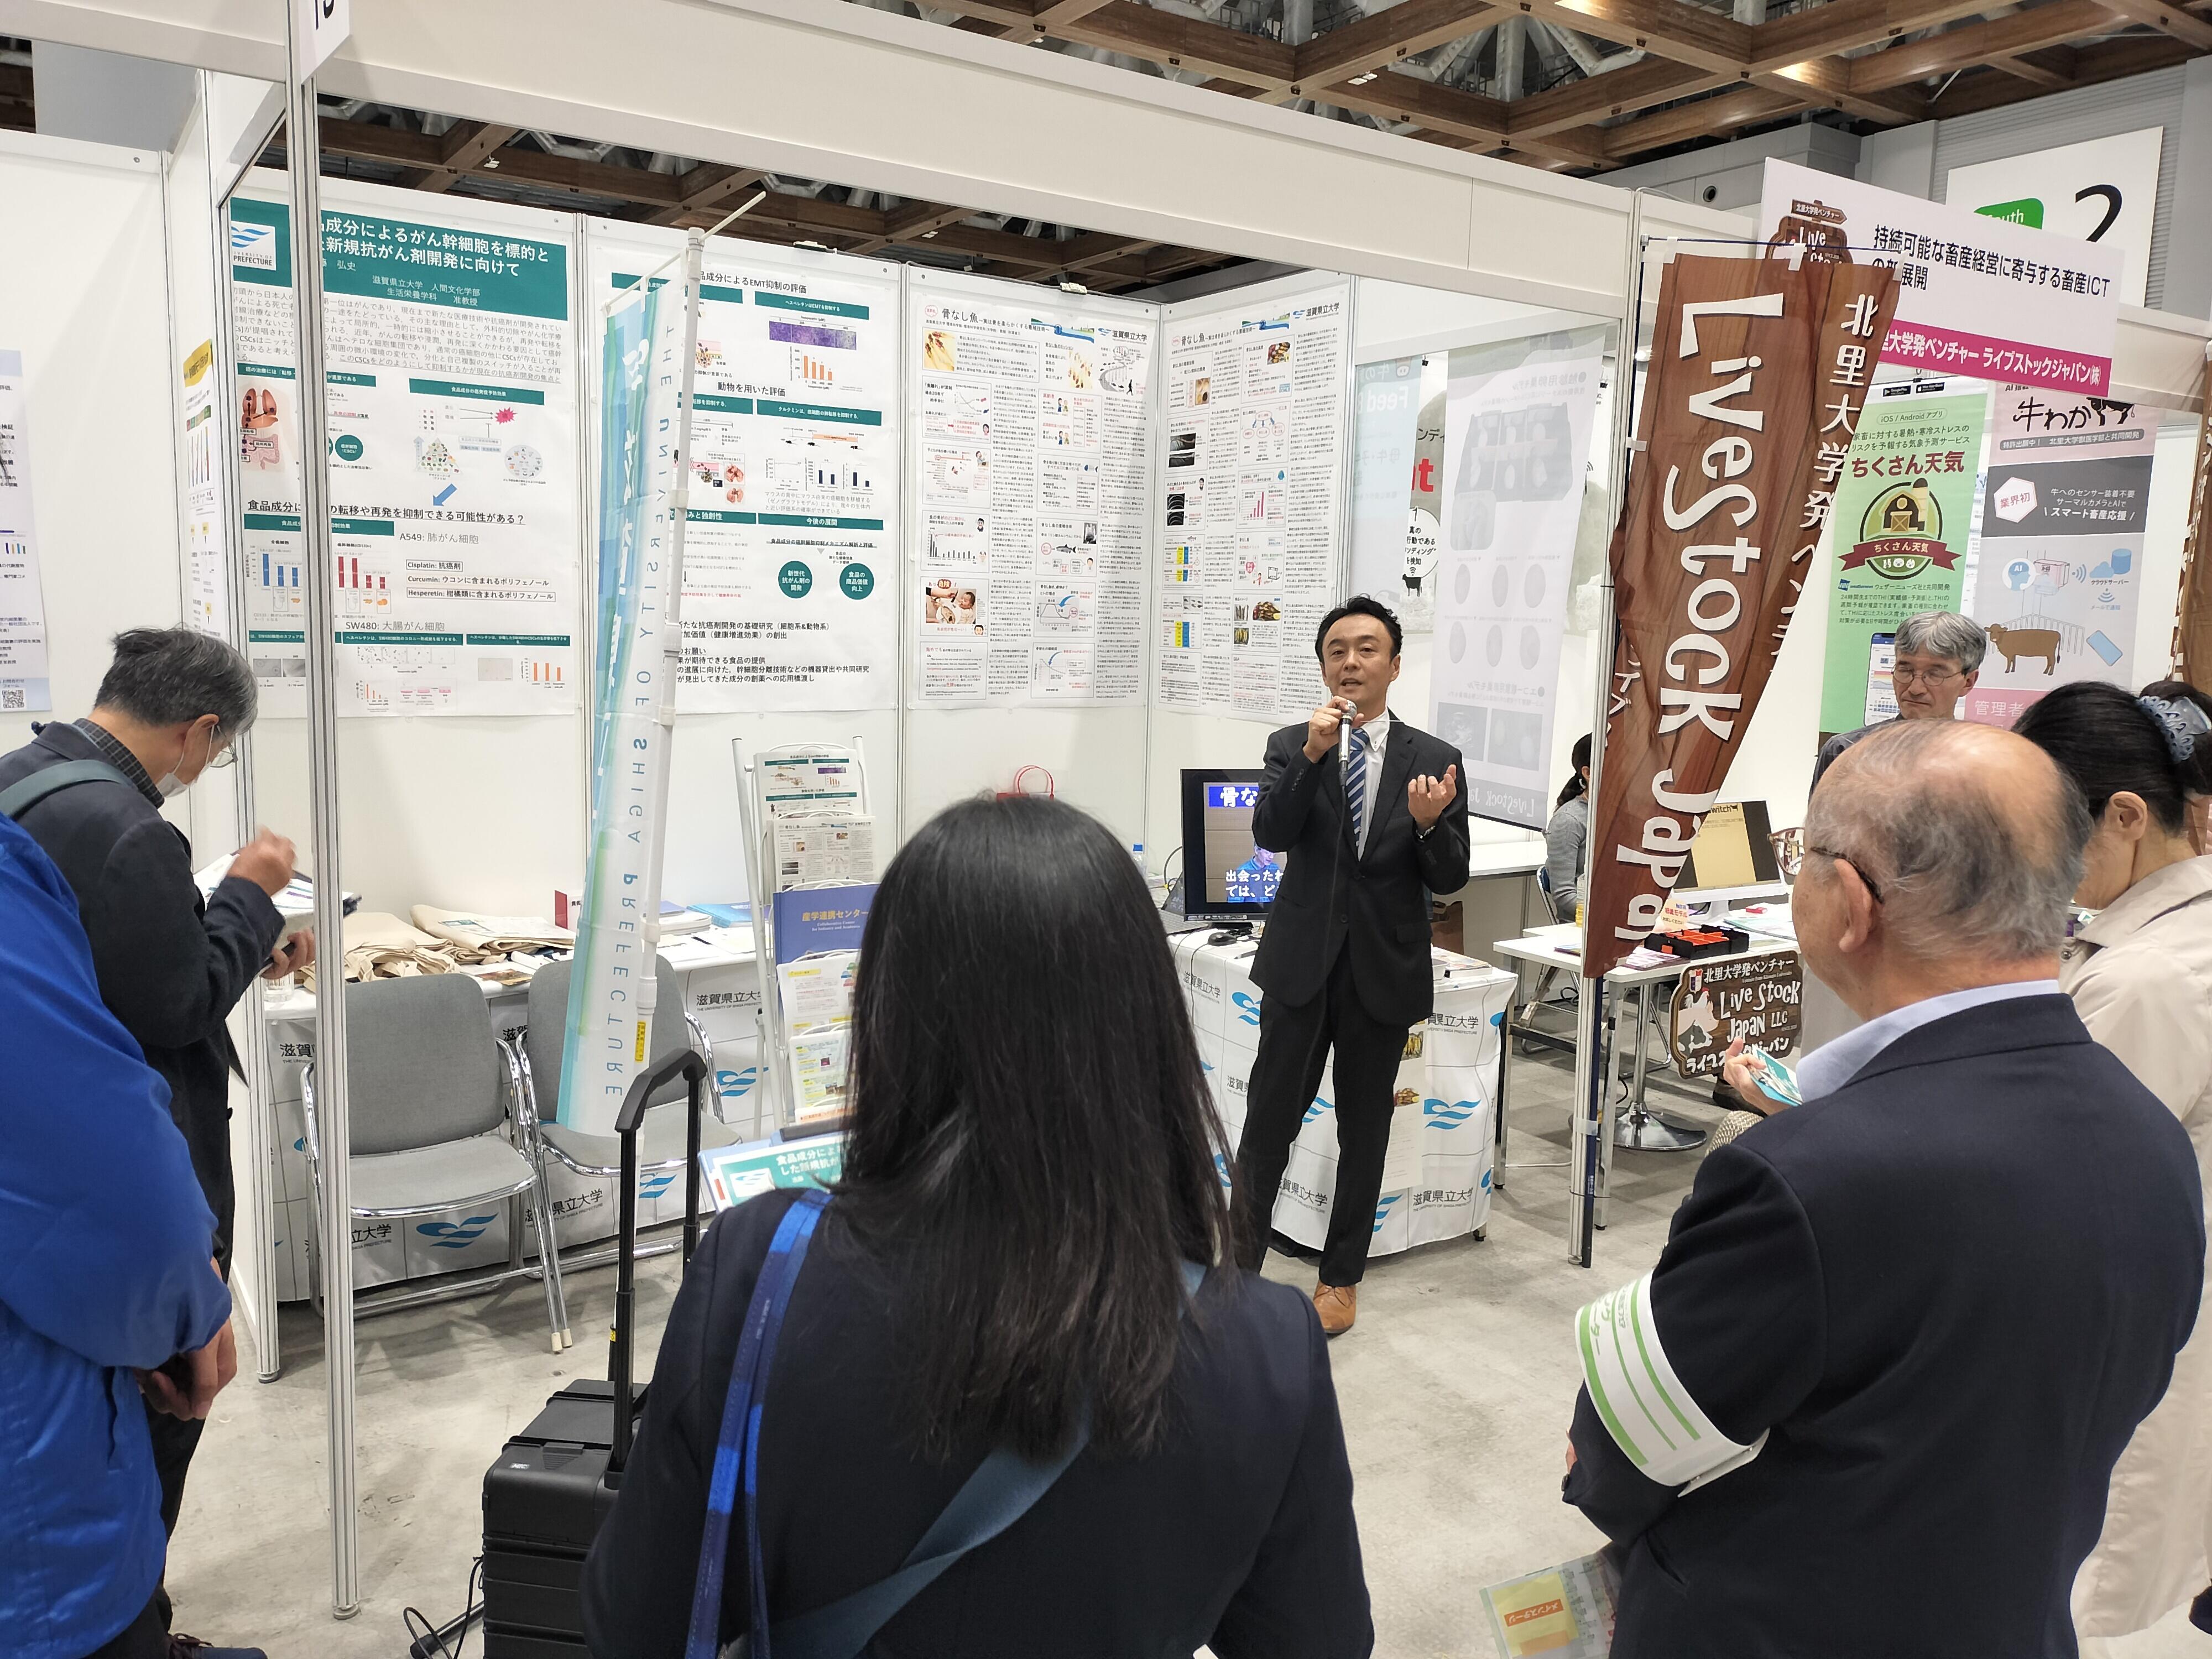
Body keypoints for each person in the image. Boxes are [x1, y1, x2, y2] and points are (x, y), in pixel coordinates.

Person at [582, 796, 1370, 1658]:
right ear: (1148, 1026)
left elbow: (634, 1621)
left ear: (887, 1016)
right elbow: (1320, 1642)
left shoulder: (757, 1277)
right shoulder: (1265, 1349)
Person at [1570, 719, 2201, 1657]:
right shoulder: (2153, 1137)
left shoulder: (1806, 1175)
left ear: (1850, 903)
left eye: (1806, 861)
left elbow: (1624, 1453)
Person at [0, 627, 310, 1629]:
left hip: (38, 1194)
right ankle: (142, 1619)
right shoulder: (129, 828)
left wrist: (239, 940)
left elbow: (118, 968)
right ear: (200, 732)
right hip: (139, 1163)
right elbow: (176, 1007)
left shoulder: (22, 783)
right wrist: (251, 892)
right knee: (161, 1410)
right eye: (218, 751)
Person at [0, 808, 243, 1659]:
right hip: (36, 1546)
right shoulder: (110, 841)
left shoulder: (28, 803)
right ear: (197, 742)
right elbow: (97, 1163)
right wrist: (184, 1314)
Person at [2013, 679, 2212, 1646]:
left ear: (2126, 817)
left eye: (2051, 836)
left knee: (2097, 1592)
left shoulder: (2144, 979)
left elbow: (2064, 1189)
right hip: (2170, 1309)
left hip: (2135, 1334)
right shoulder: (2173, 936)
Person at [1232, 594, 1469, 1336]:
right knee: (1267, 1125)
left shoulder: (1435, 759)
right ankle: (1236, 1273)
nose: (1351, 661)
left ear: (1394, 666)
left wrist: (1428, 828)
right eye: (1337, 650)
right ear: (1323, 666)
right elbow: (1271, 832)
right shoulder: (1290, 745)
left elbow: (1451, 876)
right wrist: (1311, 756)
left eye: (1367, 649)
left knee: (1365, 1133)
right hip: (1301, 967)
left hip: (1382, 972)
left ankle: (1340, 1279)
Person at [1809, 608, 1985, 790]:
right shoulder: (1845, 751)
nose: (1915, 689)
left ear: (1968, 682)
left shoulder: (1985, 761)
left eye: (1935, 674)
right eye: (1905, 670)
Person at [1544, 733, 1592, 923]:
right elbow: (1564, 894)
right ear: (1587, 773)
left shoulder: (1628, 814)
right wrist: (1608, 918)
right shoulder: (1568, 820)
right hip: (1582, 928)